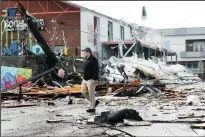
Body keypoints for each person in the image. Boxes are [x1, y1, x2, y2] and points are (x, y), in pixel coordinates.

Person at [81, 47, 99, 113]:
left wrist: (94, 78)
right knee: (83, 91)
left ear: (88, 52)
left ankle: (92, 108)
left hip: (91, 79)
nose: (83, 53)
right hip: (85, 79)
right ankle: (94, 102)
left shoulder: (94, 60)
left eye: (84, 52)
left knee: (91, 94)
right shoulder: (86, 59)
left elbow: (96, 69)